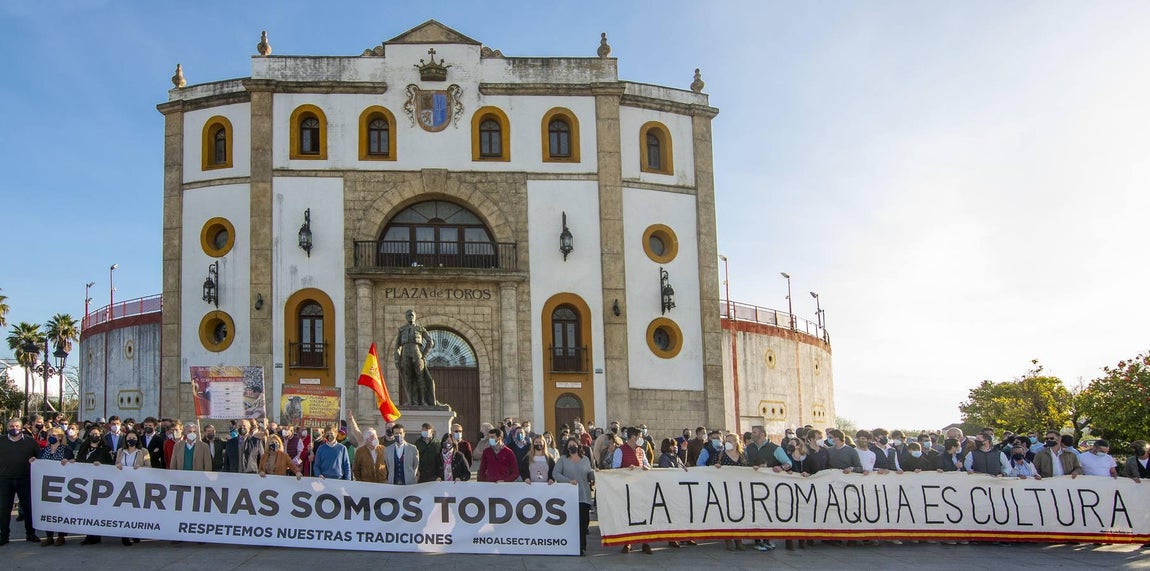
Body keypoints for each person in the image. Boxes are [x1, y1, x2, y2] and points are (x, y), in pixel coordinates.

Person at [612, 427, 651, 555]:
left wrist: (646, 468)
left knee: (643, 514)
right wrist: (626, 469)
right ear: (633, 437)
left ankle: (645, 542)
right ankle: (627, 542)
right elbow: (615, 469)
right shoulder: (620, 451)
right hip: (626, 488)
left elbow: (647, 465)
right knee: (628, 515)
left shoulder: (641, 451)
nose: (641, 439)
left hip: (641, 487)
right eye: (640, 436)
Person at [553, 436, 595, 556]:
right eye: (569, 445)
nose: (572, 447)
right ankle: (571, 546)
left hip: (584, 495)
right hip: (569, 497)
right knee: (571, 523)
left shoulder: (585, 459)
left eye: (574, 444)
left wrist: (595, 476)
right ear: (566, 447)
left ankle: (581, 547)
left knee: (583, 523)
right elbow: (555, 473)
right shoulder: (563, 460)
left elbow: (589, 473)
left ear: (578, 446)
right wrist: (568, 481)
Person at [34, 427, 73, 545]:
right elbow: (39, 464)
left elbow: (73, 464)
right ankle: (49, 536)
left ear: (60, 437)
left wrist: (69, 462)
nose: (52, 437)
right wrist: (34, 461)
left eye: (54, 435)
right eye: (49, 435)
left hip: (62, 483)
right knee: (48, 509)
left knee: (61, 510)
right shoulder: (42, 451)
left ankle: (61, 536)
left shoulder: (66, 450)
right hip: (46, 485)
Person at [712, 432, 748, 551]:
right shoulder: (721, 455)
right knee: (727, 513)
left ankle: (739, 539)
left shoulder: (743, 455)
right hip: (725, 488)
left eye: (731, 440)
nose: (728, 442)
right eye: (727, 440)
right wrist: (716, 467)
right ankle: (728, 539)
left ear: (736, 442)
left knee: (739, 513)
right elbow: (711, 467)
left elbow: (748, 469)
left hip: (739, 488)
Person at [114, 431, 150, 547]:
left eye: (134, 438)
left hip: (137, 484)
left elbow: (149, 466)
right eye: (129, 438)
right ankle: (124, 535)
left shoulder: (143, 451)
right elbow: (115, 465)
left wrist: (141, 467)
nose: (131, 440)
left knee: (136, 509)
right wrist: (117, 466)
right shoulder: (120, 451)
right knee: (124, 510)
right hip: (122, 484)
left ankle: (136, 533)